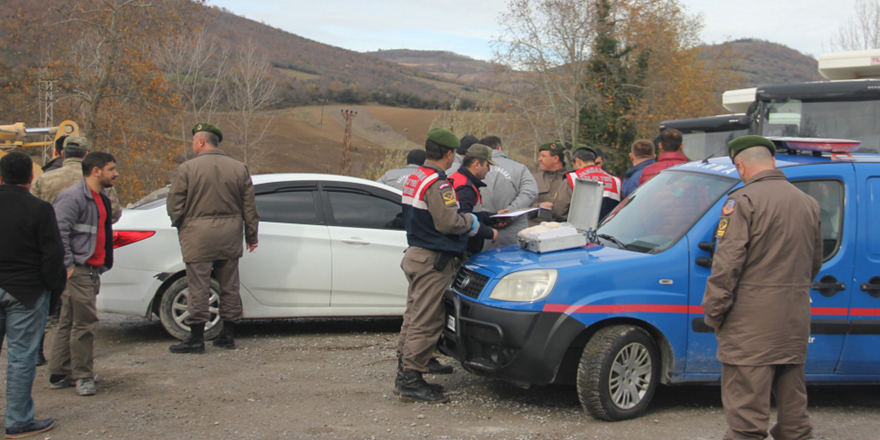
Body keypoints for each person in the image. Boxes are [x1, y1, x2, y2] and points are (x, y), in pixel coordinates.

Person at [702, 135, 823, 440]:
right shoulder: (808, 203)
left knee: (746, 420)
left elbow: (727, 265)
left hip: (749, 325)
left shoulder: (743, 202)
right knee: (794, 417)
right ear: (771, 162)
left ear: (740, 167)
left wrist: (714, 311)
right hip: (793, 319)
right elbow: (815, 262)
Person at [395, 128, 477, 403]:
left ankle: (404, 369)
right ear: (450, 153)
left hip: (415, 254)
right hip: (432, 259)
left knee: (413, 315)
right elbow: (448, 222)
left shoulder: (416, 176)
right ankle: (411, 378)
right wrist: (471, 222)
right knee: (427, 319)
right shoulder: (437, 183)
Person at [166, 123, 259, 354]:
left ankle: (196, 338)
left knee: (198, 286)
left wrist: (182, 225)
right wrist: (251, 236)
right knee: (230, 285)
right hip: (229, 235)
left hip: (197, 236)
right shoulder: (240, 168)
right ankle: (227, 335)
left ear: (200, 142)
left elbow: (174, 206)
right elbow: (250, 207)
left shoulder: (187, 169)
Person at [0, 152, 63, 437]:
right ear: (31, 177)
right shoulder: (39, 209)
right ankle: (17, 420)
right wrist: (53, 293)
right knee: (21, 357)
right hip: (27, 291)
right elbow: (53, 256)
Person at [48, 151, 117, 397]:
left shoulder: (102, 197)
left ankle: (59, 372)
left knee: (68, 321)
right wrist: (68, 266)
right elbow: (58, 233)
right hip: (77, 269)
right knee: (85, 324)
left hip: (90, 269)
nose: (115, 174)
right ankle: (83, 375)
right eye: (111, 169)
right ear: (96, 171)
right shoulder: (72, 198)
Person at [477, 135, 538, 250]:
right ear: (499, 148)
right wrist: (509, 214)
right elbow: (530, 192)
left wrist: (490, 217)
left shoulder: (474, 169)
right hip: (515, 236)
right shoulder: (520, 168)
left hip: (483, 234)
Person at [448, 144, 503, 255]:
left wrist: (495, 217)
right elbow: (463, 220)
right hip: (462, 250)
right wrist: (489, 233)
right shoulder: (466, 188)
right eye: (487, 165)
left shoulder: (457, 178)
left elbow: (473, 214)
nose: (488, 170)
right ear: (477, 165)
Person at [551, 145, 622, 222]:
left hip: (581, 231)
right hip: (608, 229)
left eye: (573, 164)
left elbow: (559, 211)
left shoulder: (573, 178)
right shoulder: (615, 180)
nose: (574, 167)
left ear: (578, 161)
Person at [529, 141, 570, 226]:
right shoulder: (532, 179)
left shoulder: (572, 180)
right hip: (534, 230)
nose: (539, 159)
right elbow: (521, 207)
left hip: (562, 231)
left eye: (543, 156)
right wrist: (538, 206)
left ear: (555, 159)